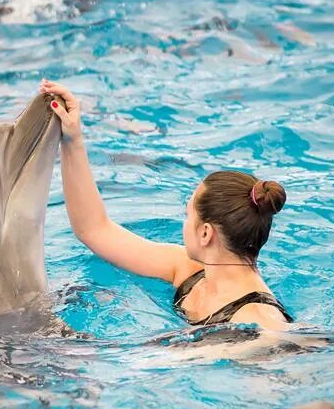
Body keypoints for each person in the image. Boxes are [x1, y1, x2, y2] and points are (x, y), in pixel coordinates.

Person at [39, 80, 293, 330]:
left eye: (188, 214)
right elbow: (93, 229)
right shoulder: (187, 268)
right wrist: (73, 138)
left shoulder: (260, 318)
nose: (184, 223)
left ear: (205, 233)